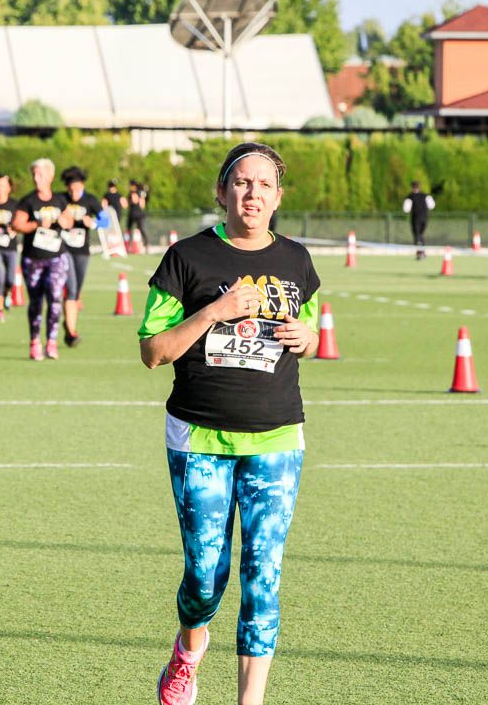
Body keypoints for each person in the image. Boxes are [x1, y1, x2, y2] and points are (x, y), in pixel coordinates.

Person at [138, 142, 320, 705]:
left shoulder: (297, 261)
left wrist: (308, 338)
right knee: (204, 576)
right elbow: (153, 352)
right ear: (222, 193)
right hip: (200, 438)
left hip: (277, 438)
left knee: (263, 576)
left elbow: (309, 332)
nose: (252, 194)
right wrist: (215, 311)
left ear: (278, 198)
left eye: (264, 185)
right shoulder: (186, 258)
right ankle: (187, 653)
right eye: (242, 182)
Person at [12, 158, 73, 361]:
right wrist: (37, 224)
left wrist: (64, 221)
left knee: (55, 297)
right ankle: (35, 342)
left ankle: (52, 342)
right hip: (33, 259)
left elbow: (69, 220)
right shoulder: (28, 201)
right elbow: (17, 225)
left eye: (40, 174)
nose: (36, 178)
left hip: (56, 257)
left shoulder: (60, 200)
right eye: (34, 174)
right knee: (36, 302)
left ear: (50, 176)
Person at [60, 166, 102, 346]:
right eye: (70, 190)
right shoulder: (61, 198)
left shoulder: (90, 200)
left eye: (77, 189)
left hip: (82, 251)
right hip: (63, 249)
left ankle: (69, 324)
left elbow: (106, 220)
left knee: (76, 291)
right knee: (70, 288)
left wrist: (92, 223)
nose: (73, 194)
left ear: (82, 186)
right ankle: (71, 332)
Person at [0, 175, 18, 323]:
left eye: (3, 185)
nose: (0, 188)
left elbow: (20, 222)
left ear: (9, 187)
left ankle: (7, 295)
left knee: (10, 279)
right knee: (0, 277)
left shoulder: (15, 204)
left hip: (10, 247)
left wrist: (14, 229)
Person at [403, 180, 436, 260]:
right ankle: (422, 252)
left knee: (417, 235)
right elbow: (432, 206)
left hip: (416, 219)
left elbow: (406, 209)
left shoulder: (410, 197)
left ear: (412, 188)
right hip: (425, 218)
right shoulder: (426, 196)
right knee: (420, 235)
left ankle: (420, 253)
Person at [128, 179, 150, 252]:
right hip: (132, 214)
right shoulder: (133, 193)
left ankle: (146, 244)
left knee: (141, 229)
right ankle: (129, 245)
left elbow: (140, 203)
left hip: (138, 214)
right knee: (129, 230)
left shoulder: (137, 192)